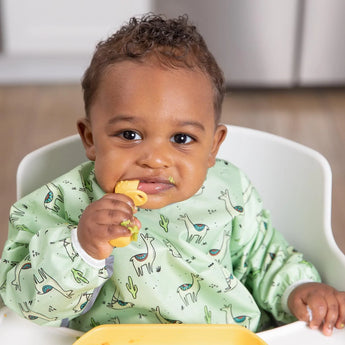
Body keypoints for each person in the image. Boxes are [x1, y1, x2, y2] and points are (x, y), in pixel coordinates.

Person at [0, 14, 344, 336]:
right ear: (90, 139)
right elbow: (23, 302)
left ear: (212, 146)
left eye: (181, 139)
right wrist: (82, 247)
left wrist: (299, 289)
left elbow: (265, 259)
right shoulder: (61, 201)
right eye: (129, 135)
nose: (154, 159)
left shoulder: (229, 192)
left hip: (224, 339)